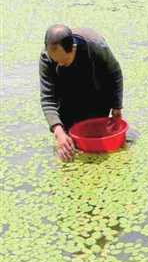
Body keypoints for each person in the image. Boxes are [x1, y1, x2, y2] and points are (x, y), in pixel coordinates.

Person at [39, 25, 124, 162]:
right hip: (67, 96)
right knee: (68, 145)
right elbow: (48, 98)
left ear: (73, 49)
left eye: (63, 61)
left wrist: (116, 106)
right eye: (56, 61)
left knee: (97, 143)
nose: (59, 64)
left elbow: (114, 73)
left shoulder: (95, 46)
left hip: (96, 91)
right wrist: (58, 131)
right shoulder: (47, 58)